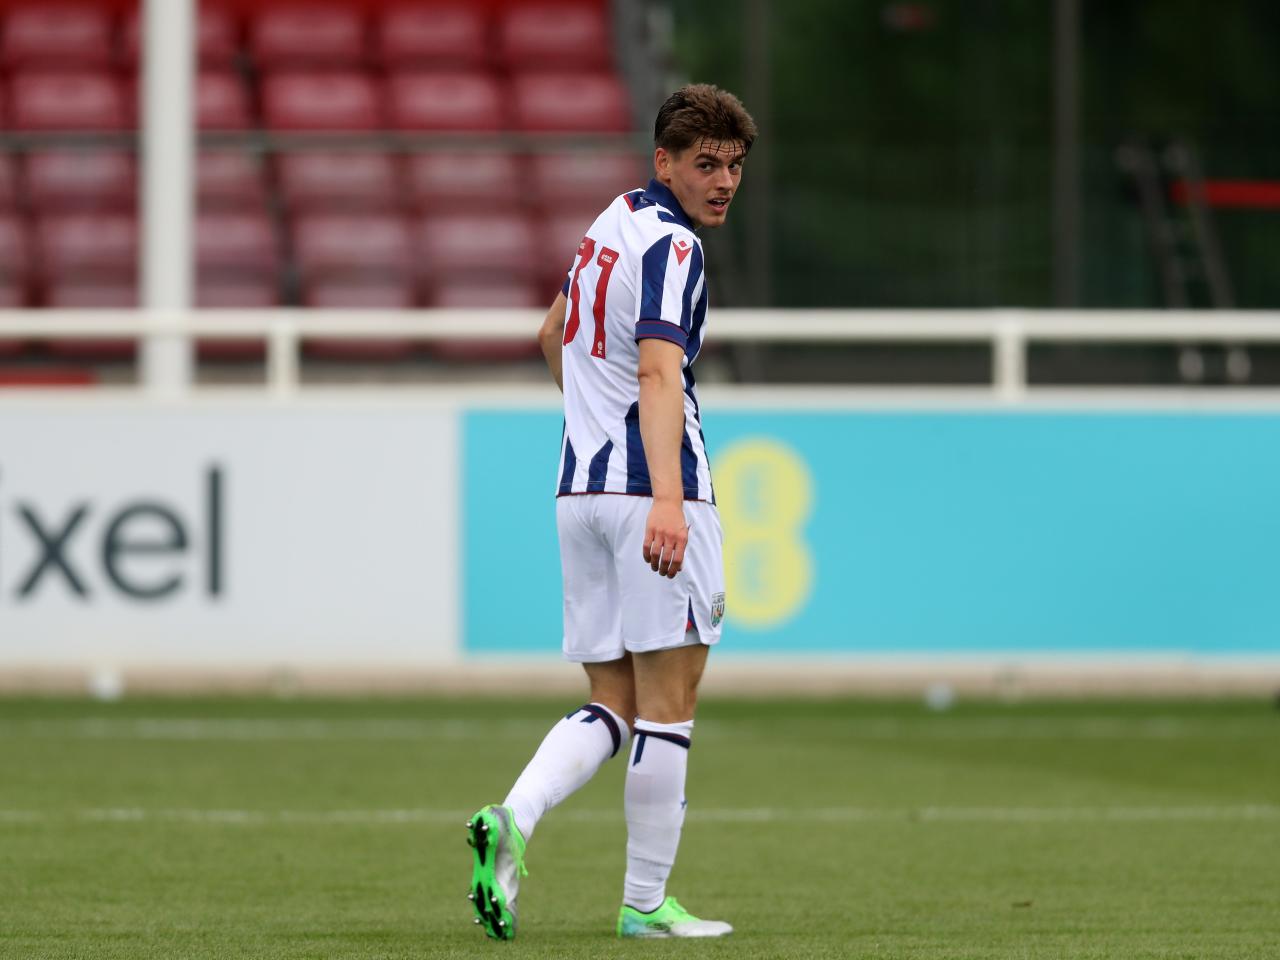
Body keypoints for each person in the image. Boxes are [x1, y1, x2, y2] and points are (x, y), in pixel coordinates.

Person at [466, 84, 757, 942]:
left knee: (612, 699)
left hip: (579, 492)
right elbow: (660, 373)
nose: (723, 181)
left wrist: (596, 430)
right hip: (653, 495)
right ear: (665, 161)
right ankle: (645, 903)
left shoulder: (612, 220)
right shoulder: (675, 245)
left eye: (735, 165)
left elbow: (550, 333)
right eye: (706, 164)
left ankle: (513, 818)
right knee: (671, 701)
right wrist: (666, 497)